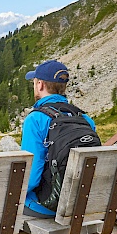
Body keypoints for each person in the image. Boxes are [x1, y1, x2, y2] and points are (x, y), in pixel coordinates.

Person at [21, 59, 96, 218]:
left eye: (34, 82)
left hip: (47, 207)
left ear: (40, 84)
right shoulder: (85, 119)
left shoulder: (35, 120)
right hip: (80, 204)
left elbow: (31, 177)